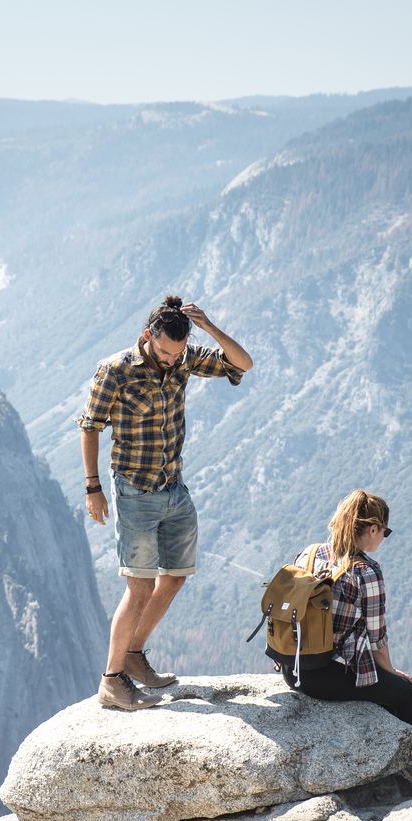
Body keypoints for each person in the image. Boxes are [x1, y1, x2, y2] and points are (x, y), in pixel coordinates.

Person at [77, 294, 252, 710]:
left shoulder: (187, 358)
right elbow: (90, 427)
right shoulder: (115, 370)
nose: (172, 360)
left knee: (174, 576)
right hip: (135, 491)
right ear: (146, 337)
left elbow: (242, 363)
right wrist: (92, 487)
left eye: (177, 353)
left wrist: (208, 327)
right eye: (164, 352)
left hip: (173, 487)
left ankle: (135, 656)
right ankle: (112, 680)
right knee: (138, 588)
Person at [287, 489, 412, 793]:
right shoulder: (366, 571)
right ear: (372, 529)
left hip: (292, 669)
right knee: (404, 692)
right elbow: (376, 637)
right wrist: (392, 671)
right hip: (319, 676)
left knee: (385, 687)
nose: (384, 537)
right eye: (385, 531)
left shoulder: (312, 552)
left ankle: (402, 762)